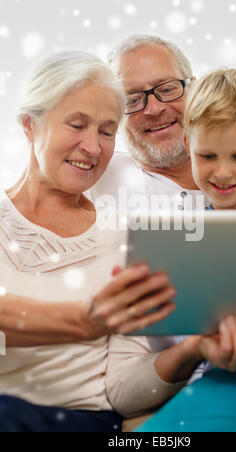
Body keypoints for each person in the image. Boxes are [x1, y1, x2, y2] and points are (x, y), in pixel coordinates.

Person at [0, 51, 178, 432]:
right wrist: (83, 321)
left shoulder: (128, 239)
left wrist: (191, 350)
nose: (94, 148)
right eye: (77, 125)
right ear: (29, 125)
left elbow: (124, 386)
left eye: (107, 131)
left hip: (85, 421)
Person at [135, 69, 236, 432]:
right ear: (188, 146)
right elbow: (170, 334)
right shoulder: (180, 232)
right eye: (207, 155)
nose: (222, 172)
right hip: (225, 370)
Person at [88, 34, 236, 211]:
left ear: (195, 90)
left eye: (167, 89)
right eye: (132, 99)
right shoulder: (93, 179)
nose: (154, 109)